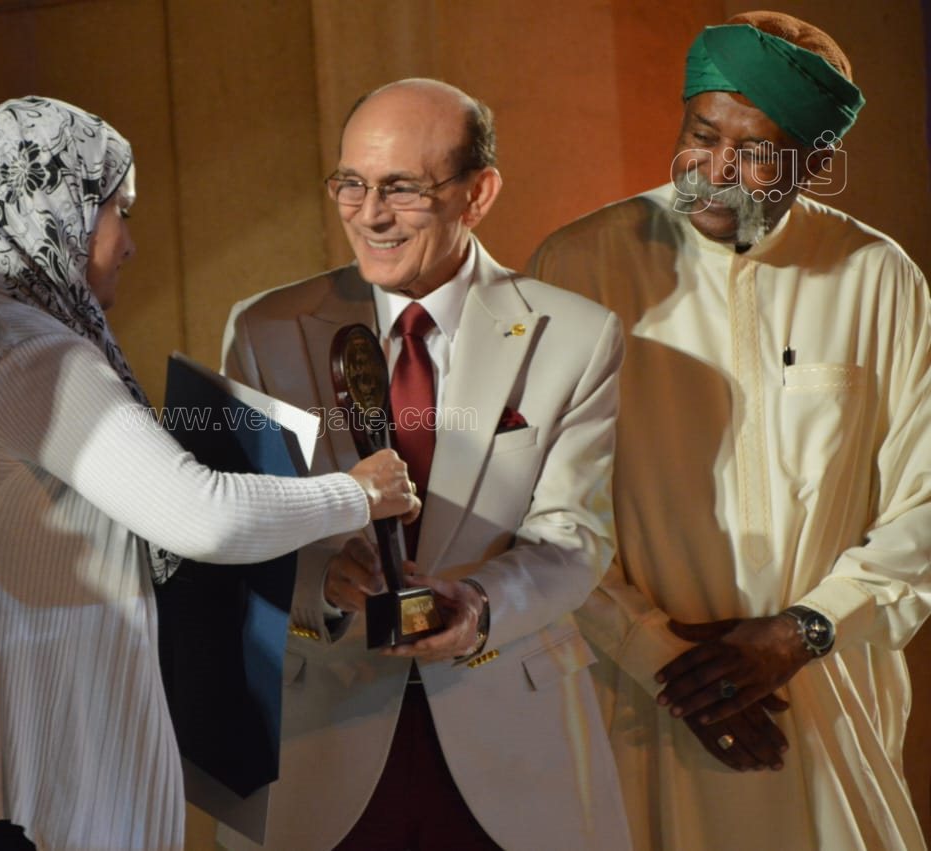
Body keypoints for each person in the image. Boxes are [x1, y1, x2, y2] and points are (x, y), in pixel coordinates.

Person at [0, 96, 419, 851]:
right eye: (117, 210)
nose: (129, 243)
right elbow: (201, 514)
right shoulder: (29, 351)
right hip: (14, 789)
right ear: (53, 208)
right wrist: (358, 492)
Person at [528, 11, 931, 850]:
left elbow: (923, 504)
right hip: (635, 700)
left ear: (815, 162)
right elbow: (540, 502)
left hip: (824, 697)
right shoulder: (578, 266)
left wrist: (801, 630)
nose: (715, 172)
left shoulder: (878, 278)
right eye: (701, 135)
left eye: (756, 153)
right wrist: (662, 659)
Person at [218, 78, 631, 850]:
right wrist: (323, 582)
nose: (368, 214)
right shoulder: (264, 329)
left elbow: (575, 536)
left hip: (514, 745)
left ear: (479, 194)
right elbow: (239, 533)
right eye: (351, 183)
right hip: (316, 749)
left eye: (402, 188)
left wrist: (479, 605)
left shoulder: (577, 335)